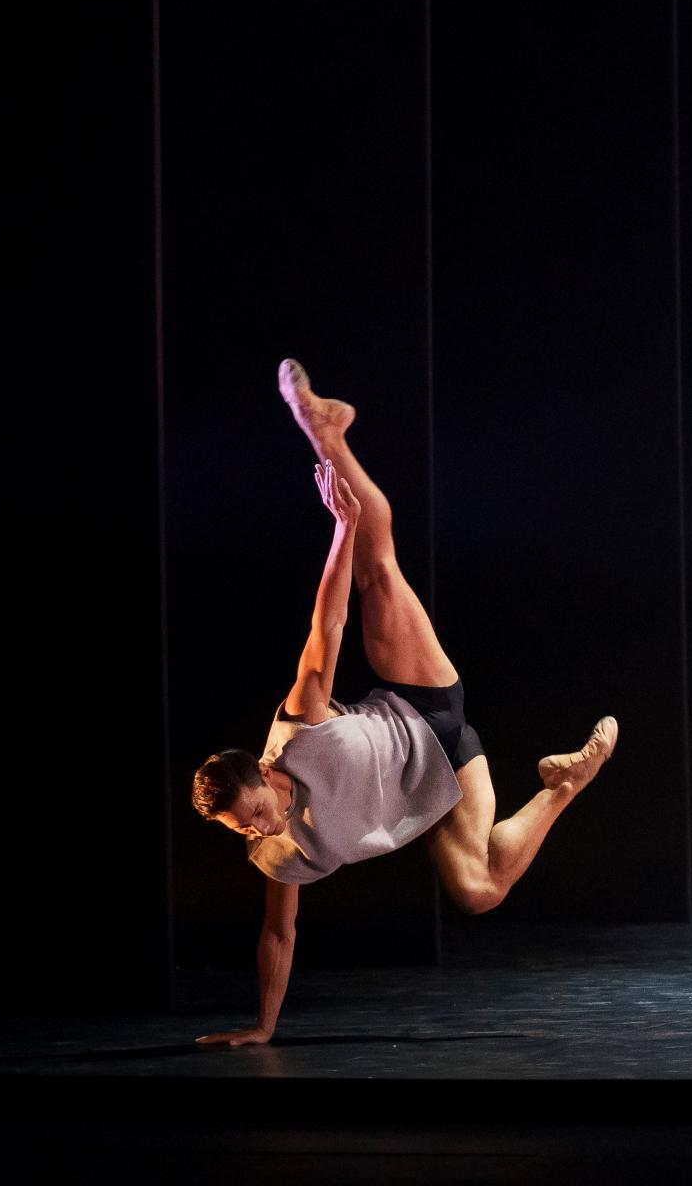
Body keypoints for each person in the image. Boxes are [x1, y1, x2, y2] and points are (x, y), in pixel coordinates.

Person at [189, 360, 619, 1046]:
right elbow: (278, 931)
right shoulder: (279, 855)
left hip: (419, 701)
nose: (259, 830)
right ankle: (563, 784)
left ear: (265, 775)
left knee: (376, 567)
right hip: (443, 777)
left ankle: (324, 431)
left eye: (257, 812)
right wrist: (264, 1028)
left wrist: (342, 528)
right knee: (479, 891)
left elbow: (327, 627)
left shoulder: (297, 728)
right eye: (242, 830)